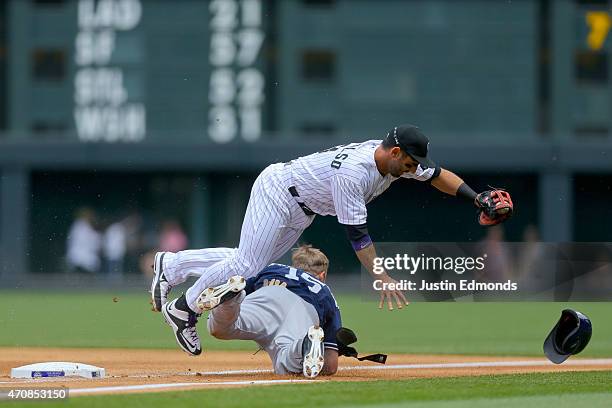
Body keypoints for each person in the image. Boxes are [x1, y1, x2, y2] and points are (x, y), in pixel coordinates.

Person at [153, 124, 513, 355]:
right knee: (246, 265)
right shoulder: (353, 174)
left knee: (248, 262)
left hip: (299, 207)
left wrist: (476, 197)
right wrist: (381, 276)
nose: (413, 168)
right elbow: (357, 236)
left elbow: (437, 175)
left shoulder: (393, 160)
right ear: (395, 152)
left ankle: (171, 264)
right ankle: (183, 309)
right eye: (409, 162)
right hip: (279, 190)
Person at [164, 245, 340, 376]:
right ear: (322, 275)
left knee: (221, 328)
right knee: (285, 363)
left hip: (266, 293)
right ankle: (303, 345)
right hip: (302, 311)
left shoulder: (273, 268)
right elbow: (331, 365)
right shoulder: (325, 292)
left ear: (296, 265)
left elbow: (243, 281)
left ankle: (230, 299)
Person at [66, 207, 102, 274]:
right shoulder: (81, 226)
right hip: (81, 258)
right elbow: (90, 241)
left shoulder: (80, 225)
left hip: (80, 257)